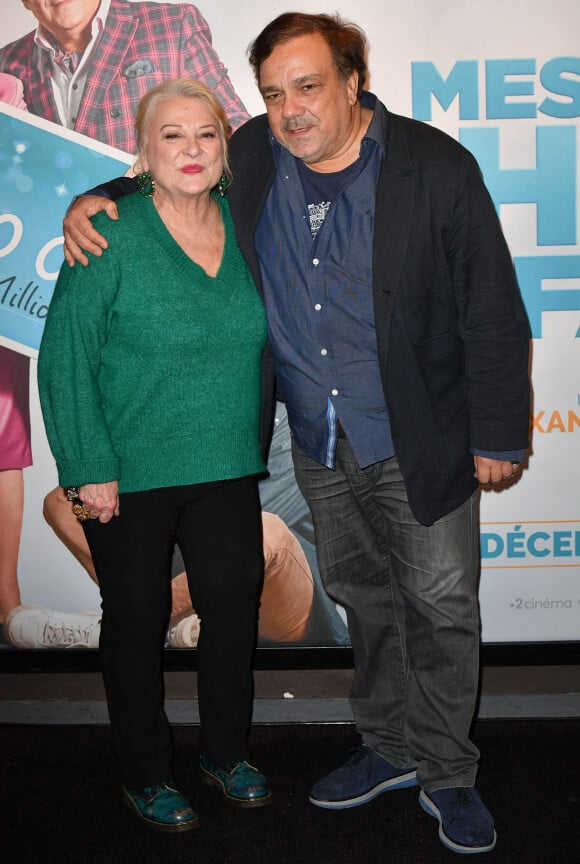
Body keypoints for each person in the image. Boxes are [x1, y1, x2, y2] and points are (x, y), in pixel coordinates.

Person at [60, 13, 532, 855]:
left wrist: (498, 430)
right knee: (369, 604)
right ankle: (387, 747)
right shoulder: (256, 159)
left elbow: (492, 309)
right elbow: (174, 161)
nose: (290, 109)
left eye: (308, 86)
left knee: (441, 609)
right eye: (273, 93)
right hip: (316, 441)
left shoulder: (433, 166)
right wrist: (89, 199)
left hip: (414, 437)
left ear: (354, 81)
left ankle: (448, 772)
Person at [38, 76, 273, 832]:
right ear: (144, 151)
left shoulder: (249, 225)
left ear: (225, 148)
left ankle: (225, 752)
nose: (192, 149)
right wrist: (84, 469)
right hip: (128, 473)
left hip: (228, 464)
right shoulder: (109, 232)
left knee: (234, 613)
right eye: (172, 135)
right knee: (135, 619)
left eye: (205, 133)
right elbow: (64, 357)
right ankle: (144, 771)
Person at [0, 0, 250, 150]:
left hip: (160, 225)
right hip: (56, 232)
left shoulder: (172, 25)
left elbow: (235, 129)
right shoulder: (7, 63)